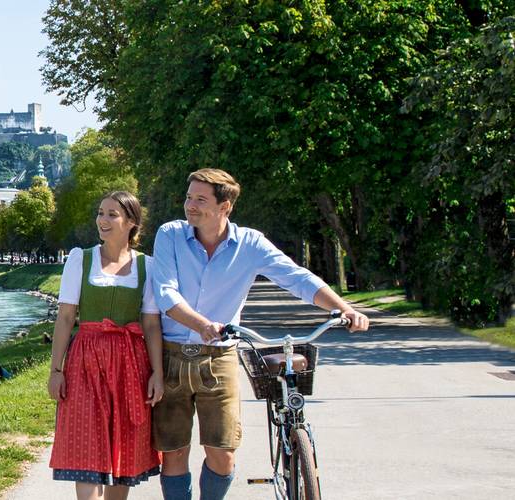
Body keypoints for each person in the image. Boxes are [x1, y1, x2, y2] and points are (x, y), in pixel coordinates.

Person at [149, 168, 370, 500]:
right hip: (172, 356)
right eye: (188, 197)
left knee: (222, 455)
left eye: (200, 199)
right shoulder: (170, 235)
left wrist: (344, 309)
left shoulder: (249, 243)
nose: (190, 206)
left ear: (225, 207)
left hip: (219, 358)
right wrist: (202, 325)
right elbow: (166, 294)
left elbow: (298, 278)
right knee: (175, 453)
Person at [49, 191, 164, 500]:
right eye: (101, 213)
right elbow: (65, 317)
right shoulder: (80, 259)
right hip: (85, 359)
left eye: (112, 214)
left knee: (124, 440)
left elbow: (152, 324)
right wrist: (56, 371)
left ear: (131, 222)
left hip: (130, 361)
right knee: (86, 439)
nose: (102, 219)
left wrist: (157, 373)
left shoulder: (147, 267)